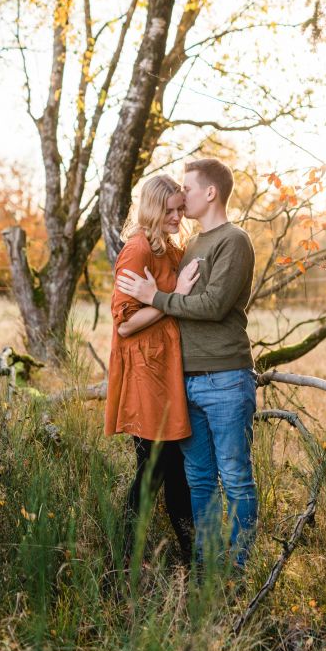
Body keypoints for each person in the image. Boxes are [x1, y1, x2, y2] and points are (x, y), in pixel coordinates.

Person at [115, 158, 257, 570]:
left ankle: (236, 568)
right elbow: (128, 322)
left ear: (210, 192)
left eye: (187, 192)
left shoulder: (231, 240)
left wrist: (157, 297)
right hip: (177, 380)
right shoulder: (176, 246)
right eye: (172, 206)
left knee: (232, 478)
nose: (181, 204)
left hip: (221, 378)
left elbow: (212, 305)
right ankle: (201, 564)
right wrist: (162, 298)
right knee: (192, 477)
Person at [104, 174, 201, 571]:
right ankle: (125, 557)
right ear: (152, 209)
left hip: (168, 371)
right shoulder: (137, 250)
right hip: (147, 374)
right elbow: (125, 324)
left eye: (180, 209)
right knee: (154, 467)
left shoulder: (171, 249)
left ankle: (194, 558)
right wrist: (172, 297)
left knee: (174, 470)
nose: (178, 217)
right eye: (170, 211)